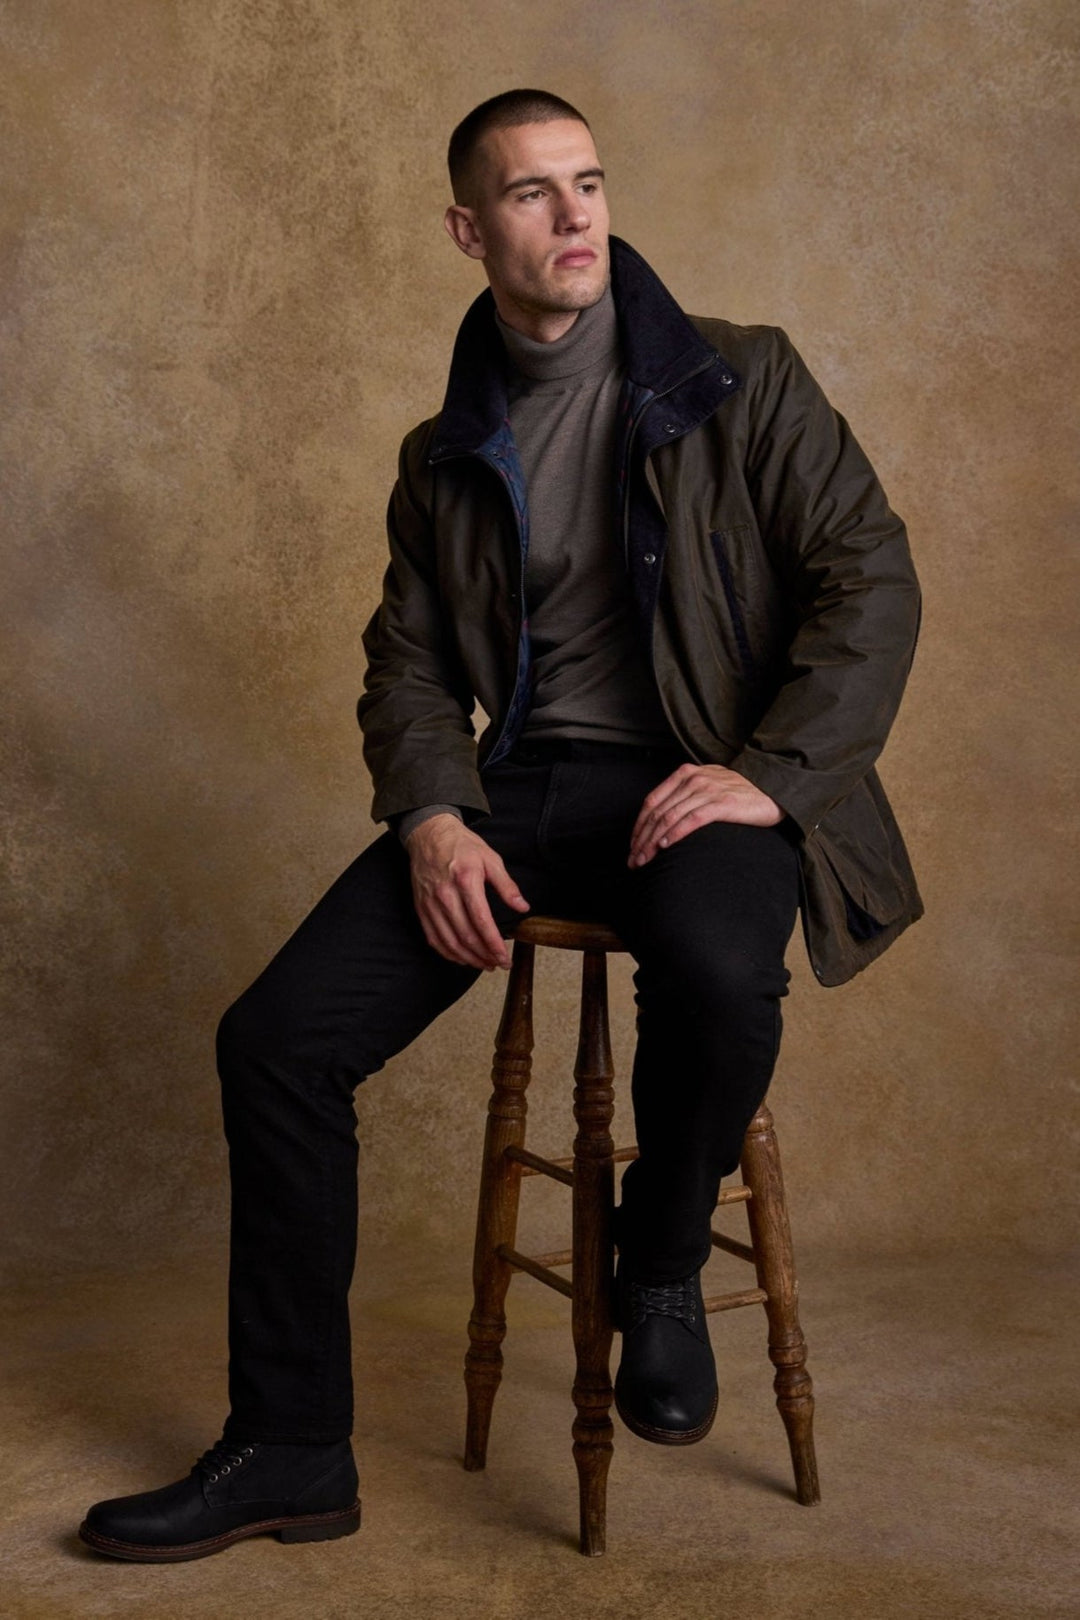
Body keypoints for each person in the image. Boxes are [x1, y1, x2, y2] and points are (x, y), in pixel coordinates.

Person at [79, 88, 921, 1563]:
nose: (576, 213)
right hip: (522, 791)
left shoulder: (745, 376)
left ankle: (658, 1257)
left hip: (704, 778)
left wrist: (775, 774)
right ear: (470, 230)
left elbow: (871, 577)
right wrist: (432, 817)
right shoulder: (443, 452)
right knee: (275, 1043)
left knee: (722, 972)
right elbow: (407, 665)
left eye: (588, 181)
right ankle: (291, 1448)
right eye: (534, 192)